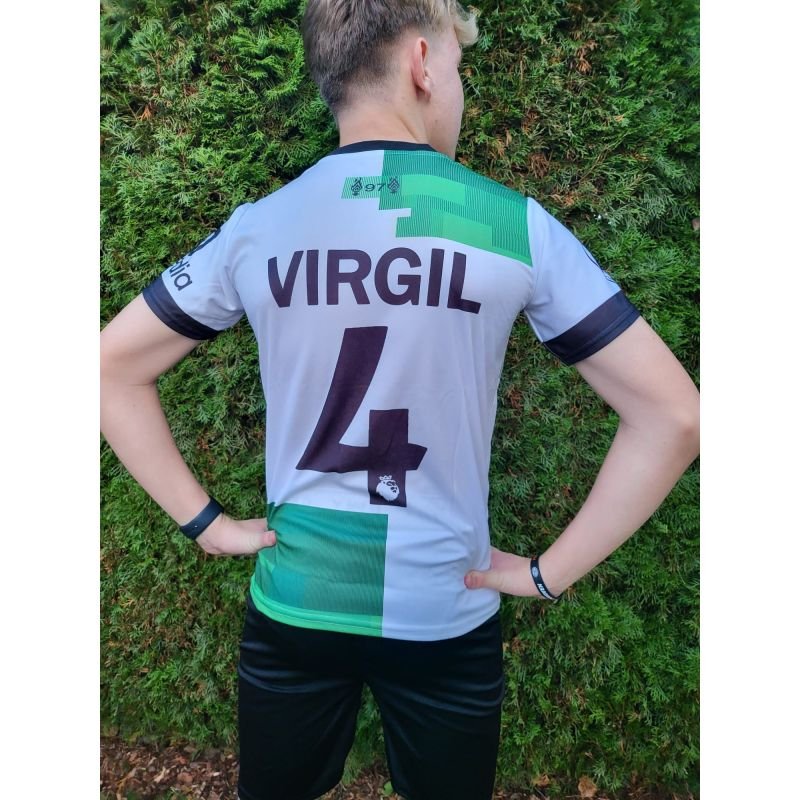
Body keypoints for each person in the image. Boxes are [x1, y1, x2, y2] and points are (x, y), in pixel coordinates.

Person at [99, 1, 700, 798]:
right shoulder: (510, 225)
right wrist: (548, 573)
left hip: (298, 602)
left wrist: (205, 523)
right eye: (458, 65)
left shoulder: (259, 228)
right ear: (421, 63)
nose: (459, 89)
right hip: (446, 610)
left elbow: (108, 367)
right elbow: (674, 415)